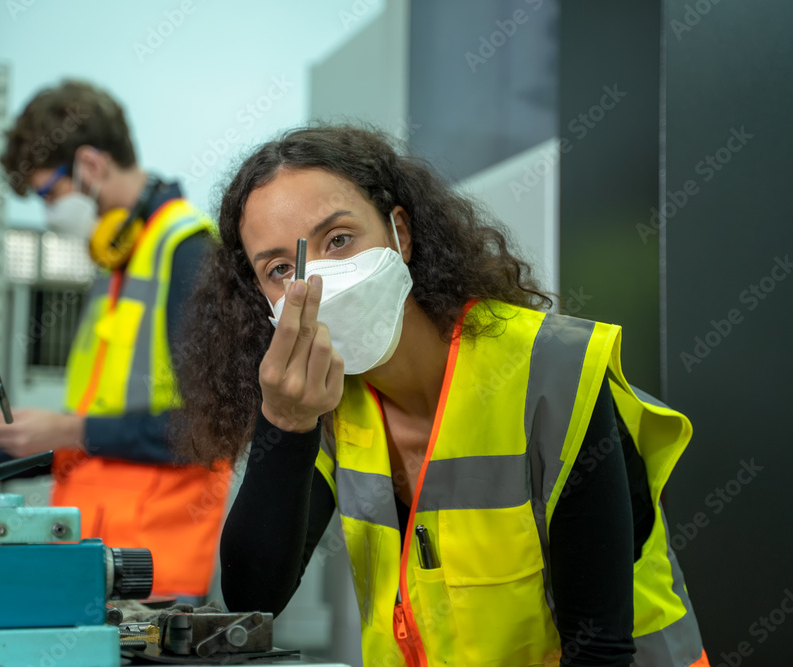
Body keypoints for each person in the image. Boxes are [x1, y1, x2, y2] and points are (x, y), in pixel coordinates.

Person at [171, 126, 709, 665]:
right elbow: (252, 598)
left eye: (339, 239)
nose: (316, 284)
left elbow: (600, 650)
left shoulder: (552, 371)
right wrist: (284, 425)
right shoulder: (327, 405)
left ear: (399, 235)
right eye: (281, 269)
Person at [0, 80, 230, 600]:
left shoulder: (188, 251)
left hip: (154, 575)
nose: (49, 212)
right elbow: (103, 431)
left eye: (49, 194)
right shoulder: (118, 259)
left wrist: (68, 428)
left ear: (89, 164)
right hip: (97, 559)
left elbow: (207, 432)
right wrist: (3, 458)